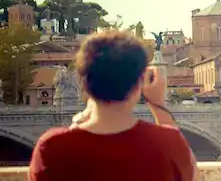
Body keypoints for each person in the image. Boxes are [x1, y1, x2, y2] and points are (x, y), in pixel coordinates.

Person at [29, 30, 199, 181]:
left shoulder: (51, 147)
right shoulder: (168, 143)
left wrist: (81, 119)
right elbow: (192, 175)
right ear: (139, 84)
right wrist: (158, 105)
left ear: (81, 80)